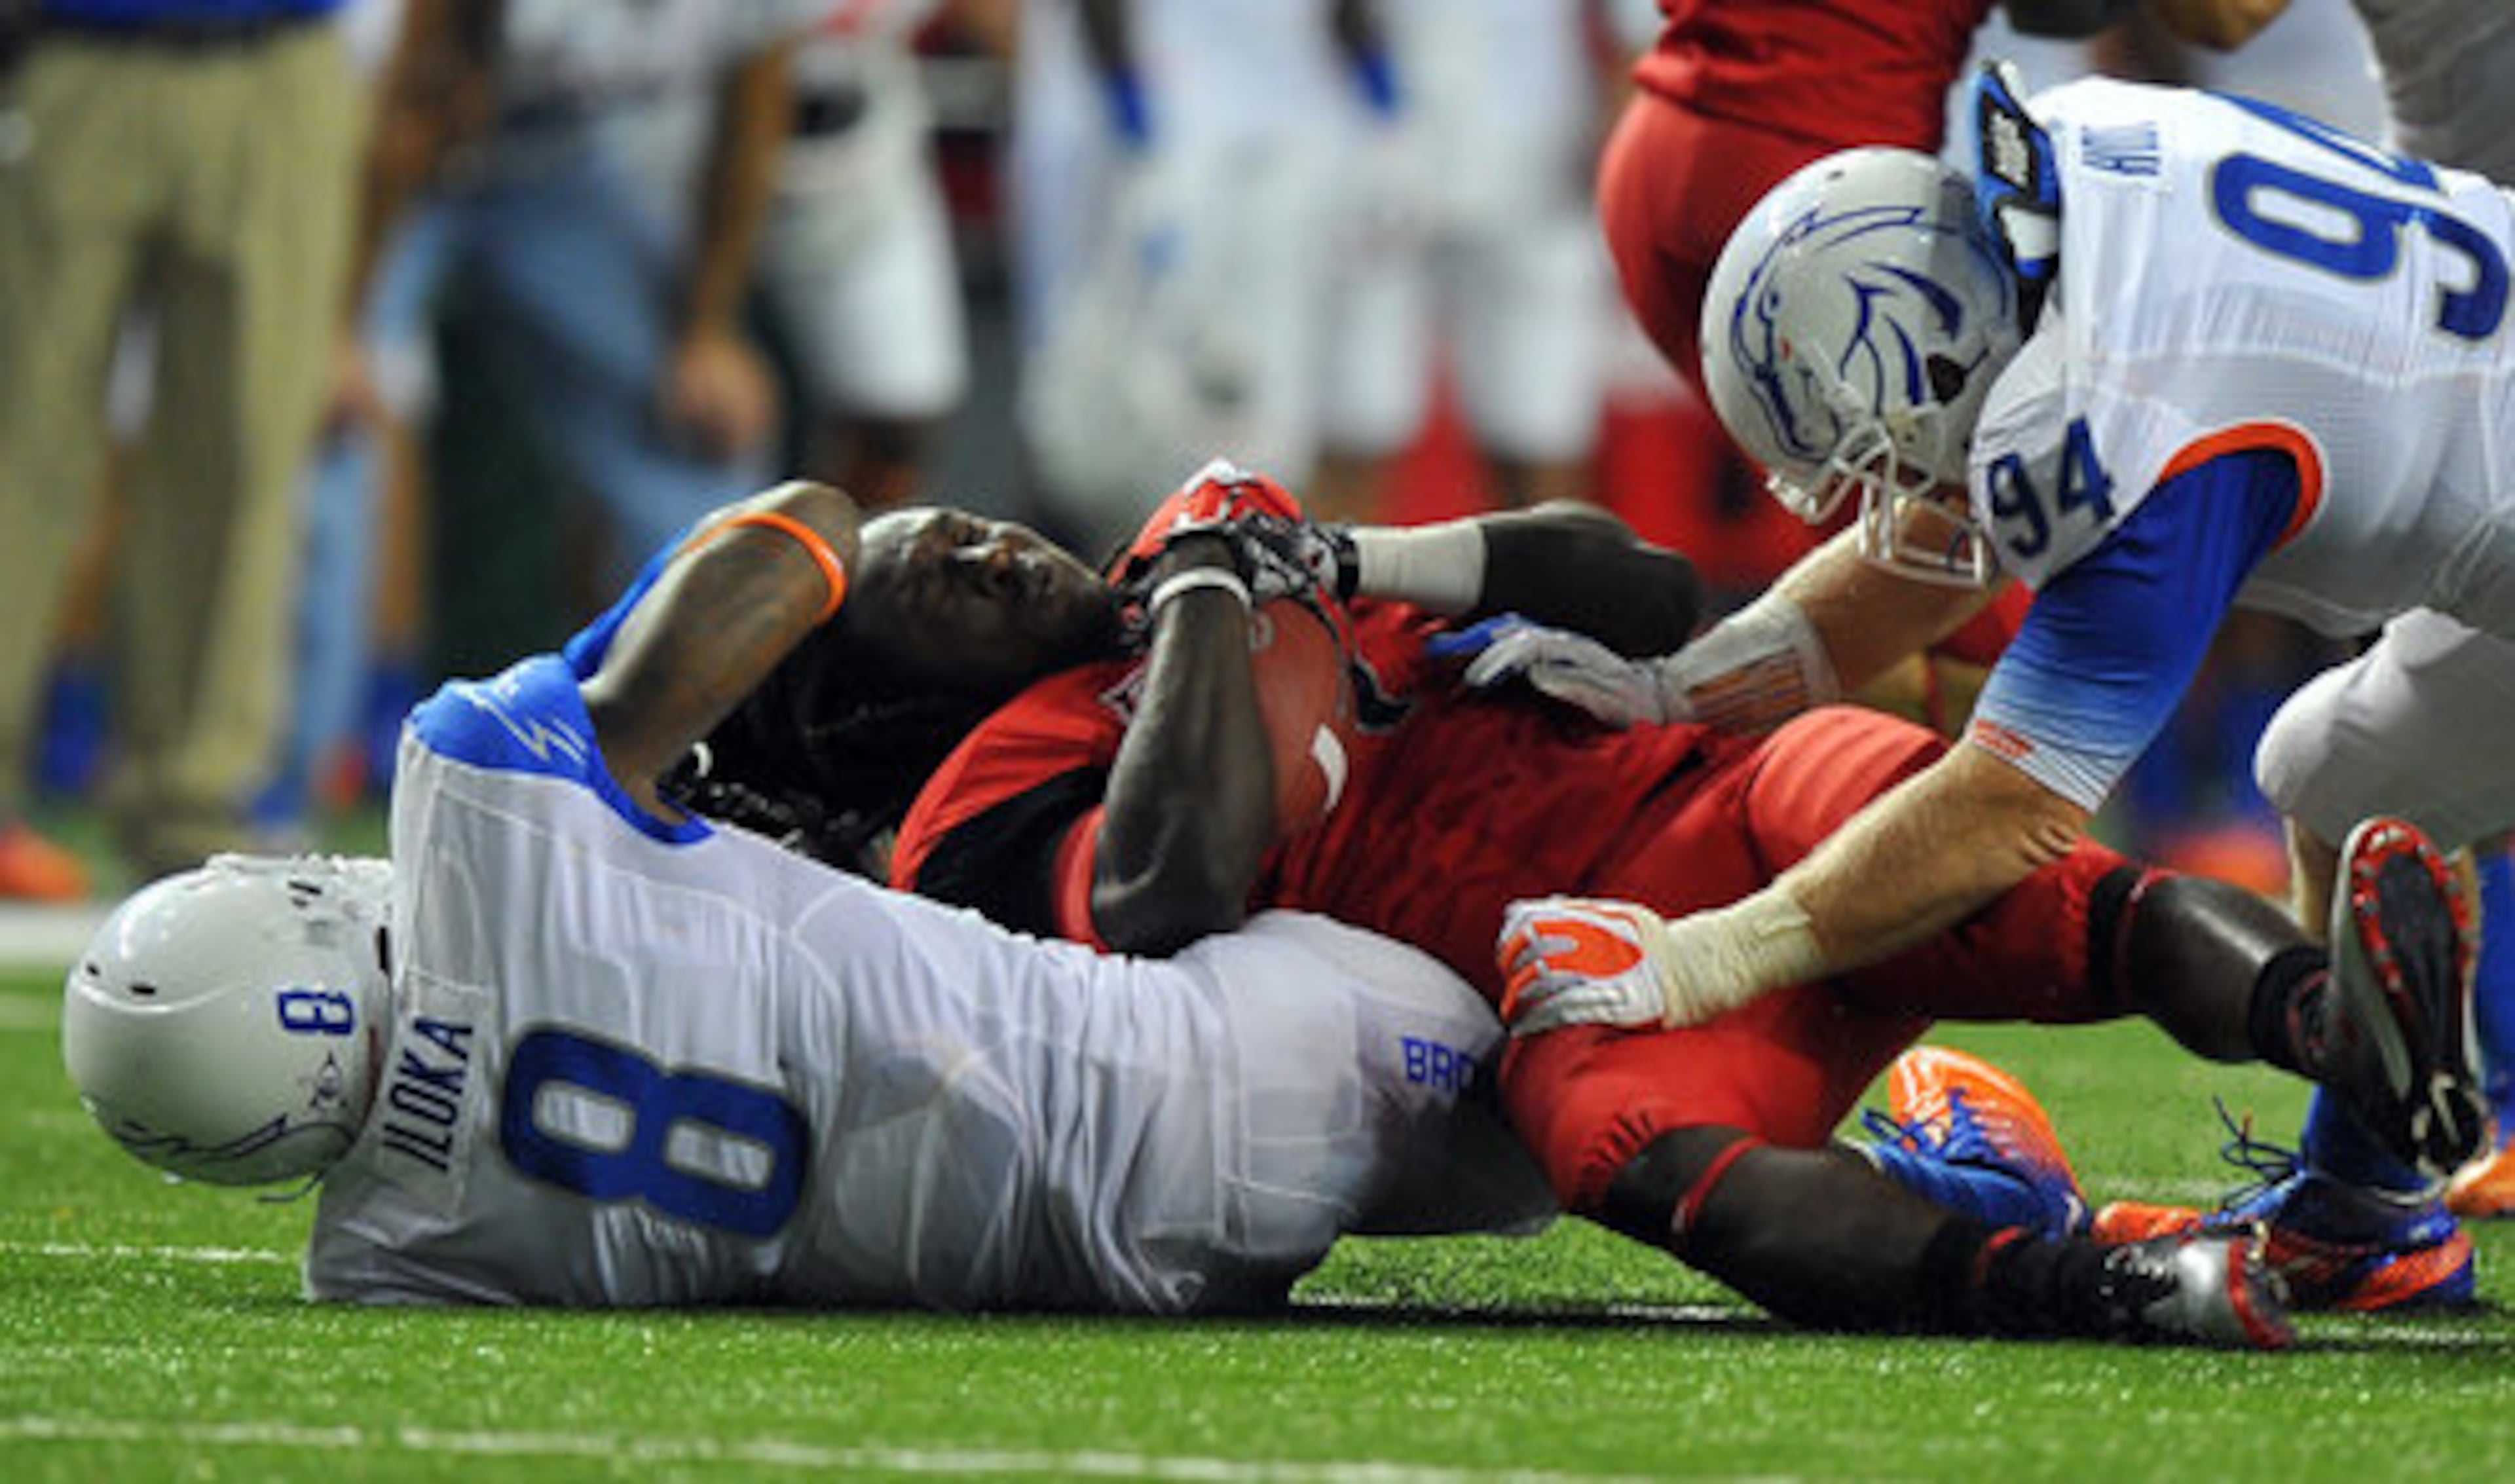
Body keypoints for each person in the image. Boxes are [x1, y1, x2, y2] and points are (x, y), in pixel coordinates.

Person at [685, 462, 2483, 1345]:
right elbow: (1165, 885)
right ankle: (2108, 1281)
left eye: (966, 524)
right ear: (877, 704)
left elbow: (1649, 585)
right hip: (1588, 974)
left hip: (1706, 798)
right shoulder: (977, 801)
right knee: (1622, 1153)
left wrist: (1356, 558)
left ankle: (2349, 1033)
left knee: (2010, 864)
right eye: (938, 580)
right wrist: (1210, 601)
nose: (991, 544)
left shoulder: (1212, 550)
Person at [1468, 73, 2514, 1293]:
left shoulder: (2126, 410)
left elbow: (2008, 809)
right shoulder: (2059, 177)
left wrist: (1703, 956)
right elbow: (1949, 536)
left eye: (1884, 450)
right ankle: (2366, 1209)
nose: (1892, 489)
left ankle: (2370, 1197)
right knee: (2345, 771)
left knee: (2348, 773)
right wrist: (1682, 690)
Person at [58, 480, 1560, 1313]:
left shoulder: (397, 1256)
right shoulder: (477, 811)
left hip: (1129, 1267)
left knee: (1569, 1114)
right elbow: (804, 536)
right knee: (1566, 1044)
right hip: (1245, 1053)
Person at [0, 0, 364, 884]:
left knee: (243, 460)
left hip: (282, 59)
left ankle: (192, 805)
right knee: (19, 449)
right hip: (80, 51)